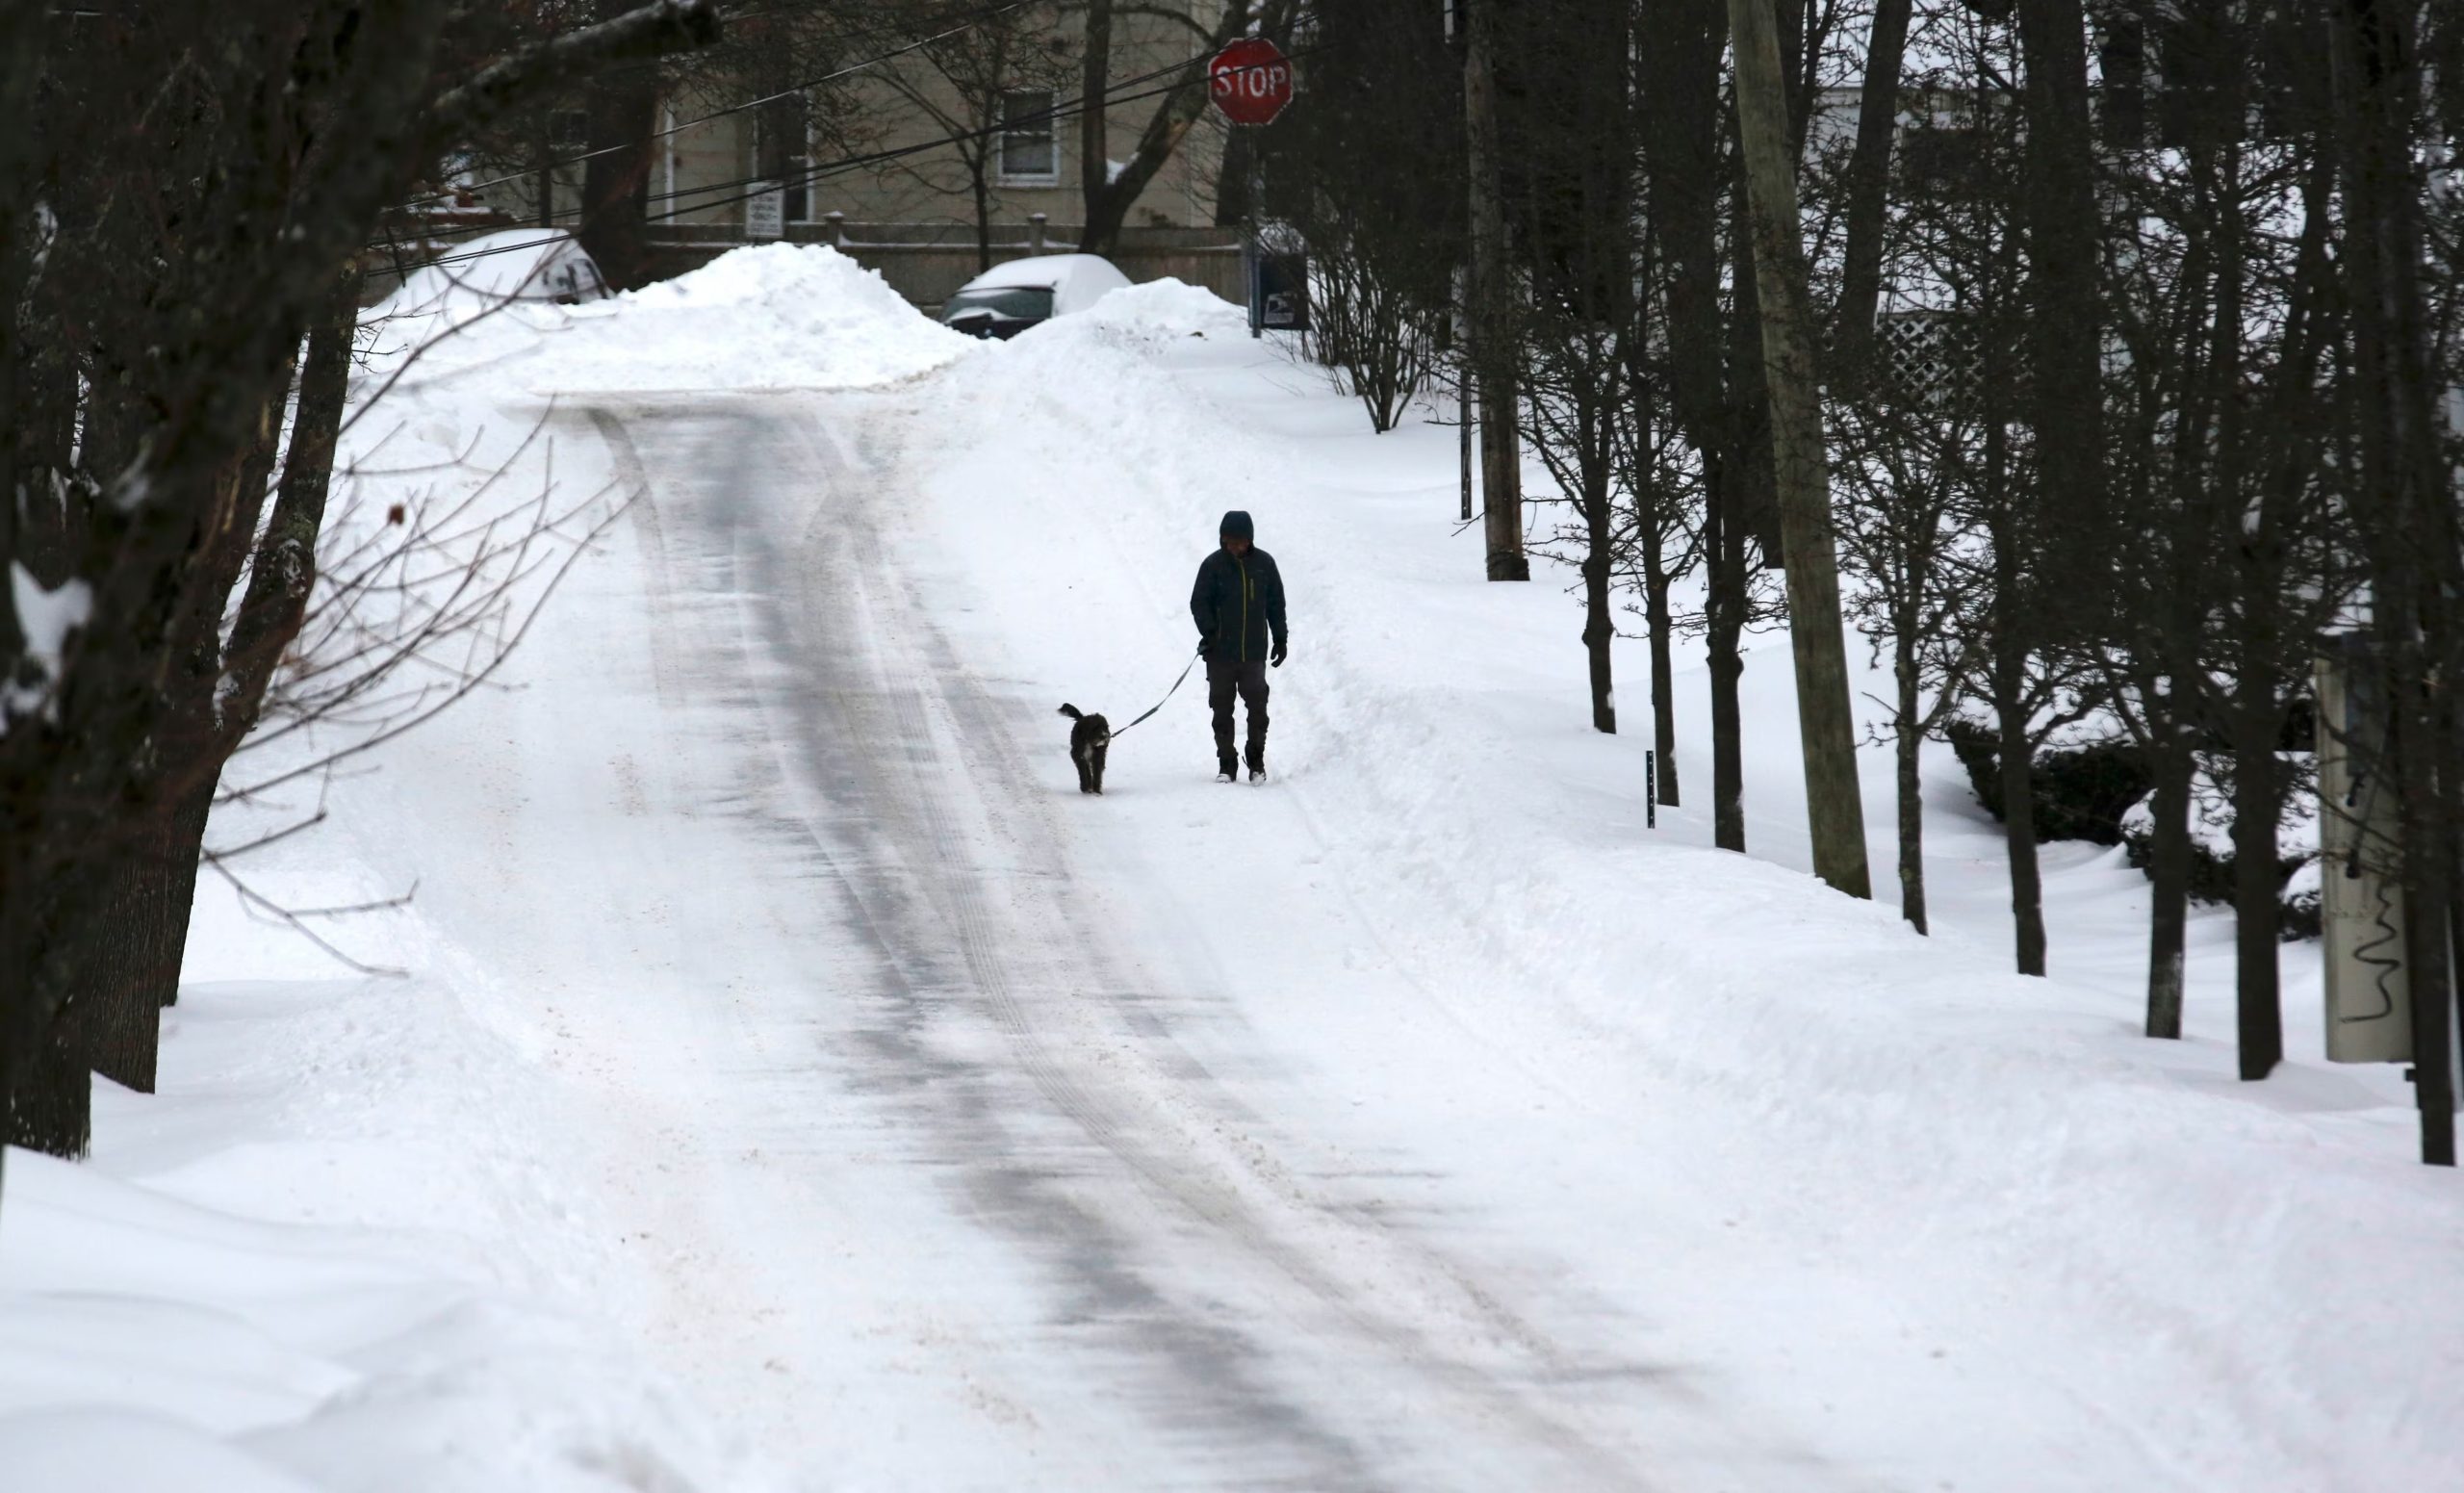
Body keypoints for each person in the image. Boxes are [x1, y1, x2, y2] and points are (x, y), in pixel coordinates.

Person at [1189, 509, 1288, 782]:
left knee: (1258, 708)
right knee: (1221, 709)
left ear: (1249, 540)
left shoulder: (1264, 565)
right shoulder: (1212, 566)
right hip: (1219, 655)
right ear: (1222, 540)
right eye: (1229, 541)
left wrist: (1280, 637)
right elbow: (1199, 603)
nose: (1234, 546)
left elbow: (1276, 605)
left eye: (1240, 541)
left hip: (1253, 655)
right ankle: (1226, 764)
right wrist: (1210, 632)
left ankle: (1256, 761)